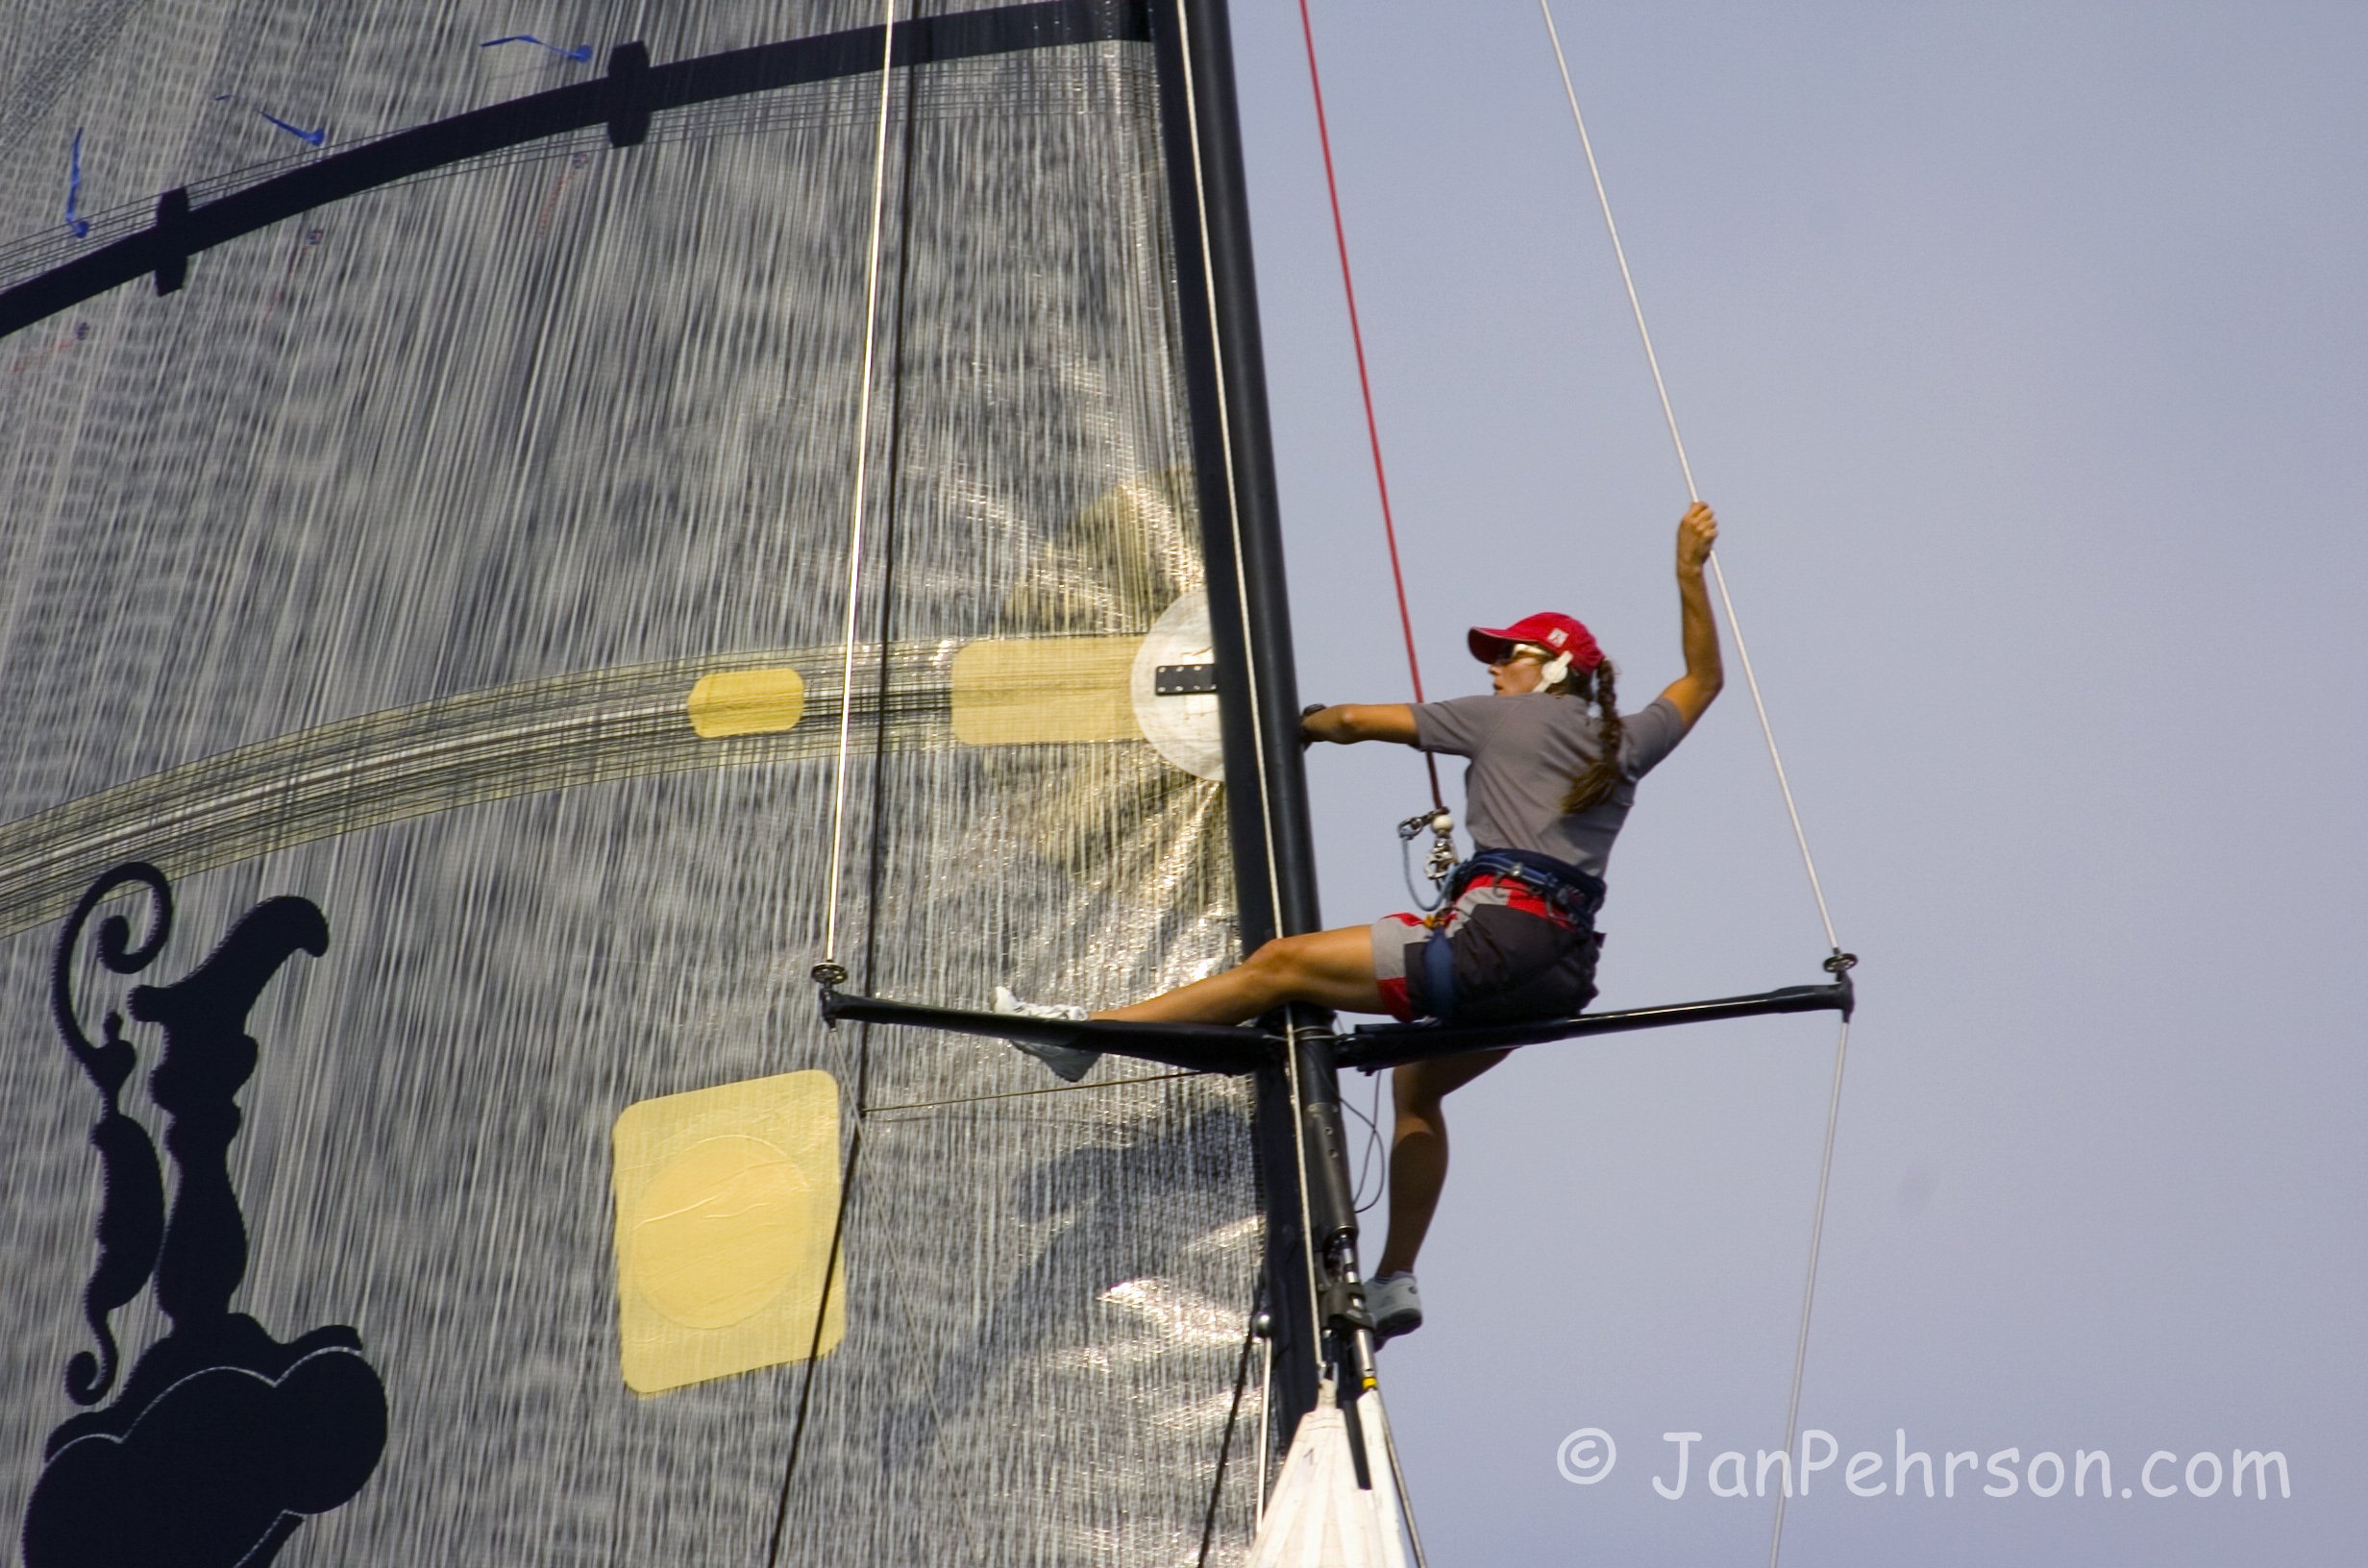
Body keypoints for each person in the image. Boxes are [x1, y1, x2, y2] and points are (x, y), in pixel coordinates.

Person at [998, 502, 1726, 1339]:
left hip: (1492, 944)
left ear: (1552, 666)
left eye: (1509, 657)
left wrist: (1289, 727)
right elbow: (1702, 681)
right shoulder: (1625, 741)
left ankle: (1085, 1038)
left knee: (1279, 965)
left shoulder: (1510, 717)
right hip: (1559, 975)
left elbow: (1350, 724)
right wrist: (1688, 568)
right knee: (1420, 1087)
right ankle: (1395, 1279)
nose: (1495, 673)